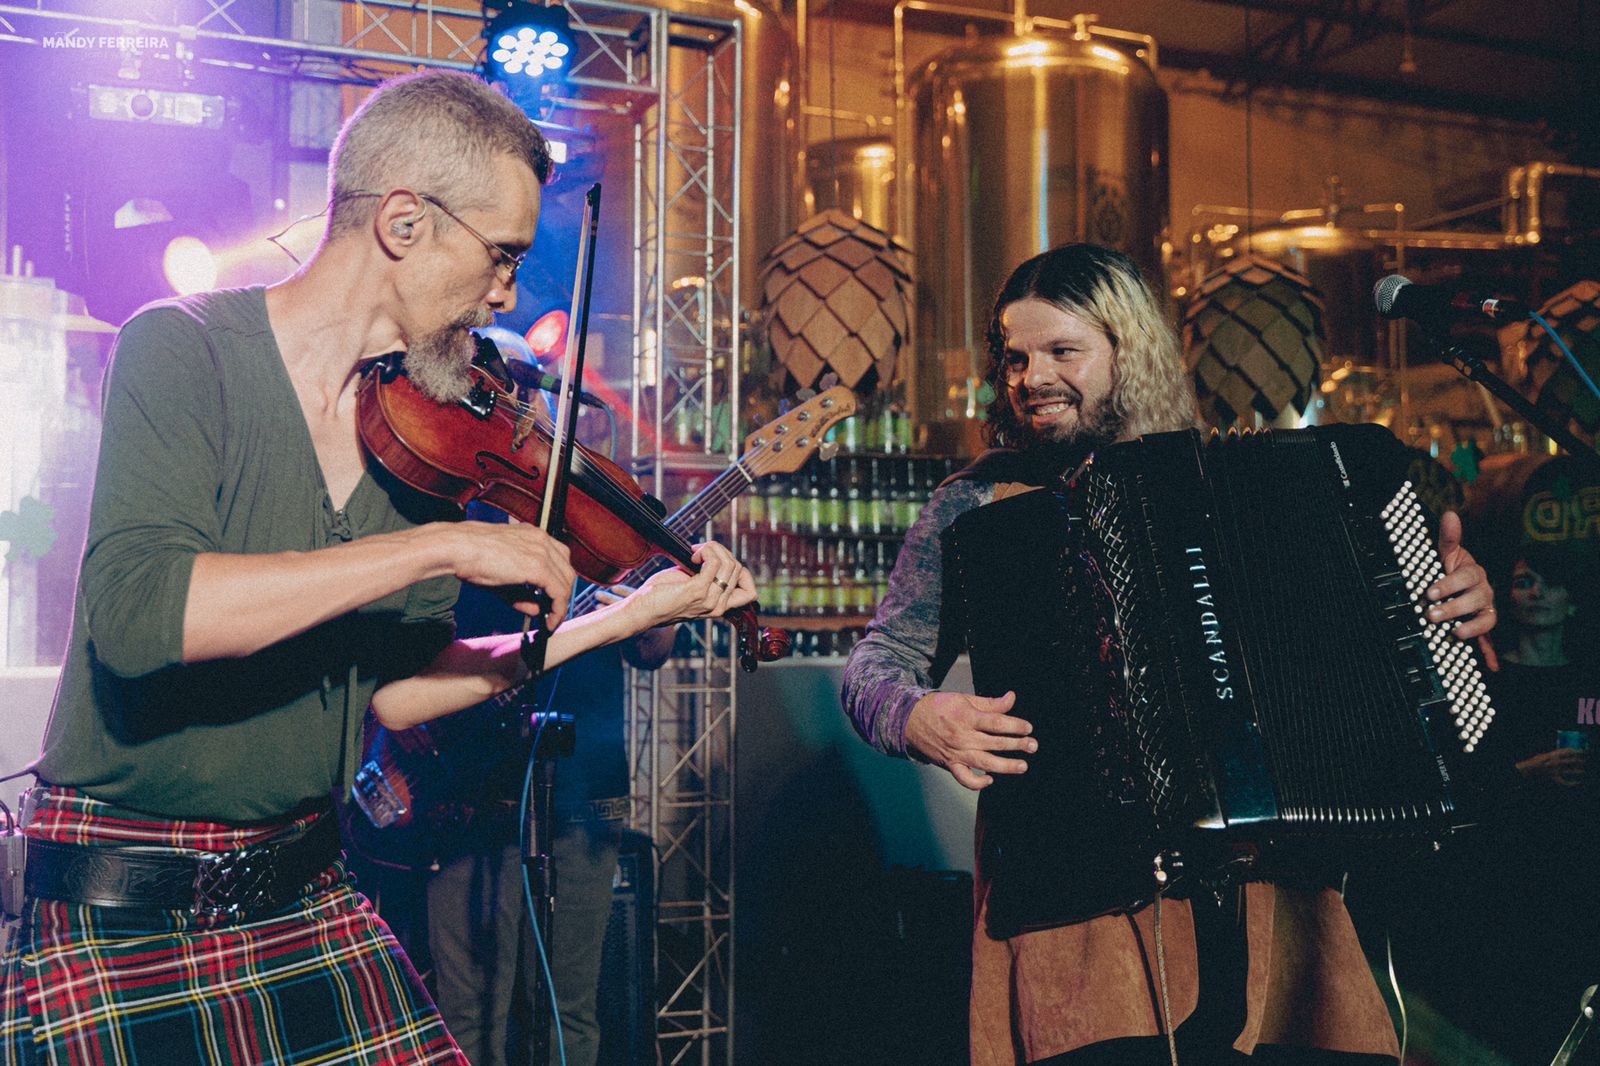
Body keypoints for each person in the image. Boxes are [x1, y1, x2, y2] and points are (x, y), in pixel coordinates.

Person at [0, 69, 755, 1066]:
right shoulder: (184, 351)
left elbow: (393, 692)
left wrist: (620, 614)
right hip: (131, 901)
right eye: (501, 256)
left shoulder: (419, 443)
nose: (506, 294)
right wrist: (441, 543)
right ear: (403, 222)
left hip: (306, 890)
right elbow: (144, 617)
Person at [841, 244, 1498, 1065]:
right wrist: (917, 717)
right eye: (1014, 357)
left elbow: (1377, 641)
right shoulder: (976, 502)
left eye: (1062, 352)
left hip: (1272, 897)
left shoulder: (1241, 480)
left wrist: (1449, 608)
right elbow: (877, 664)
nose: (1031, 377)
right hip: (1079, 902)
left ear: (1129, 350)